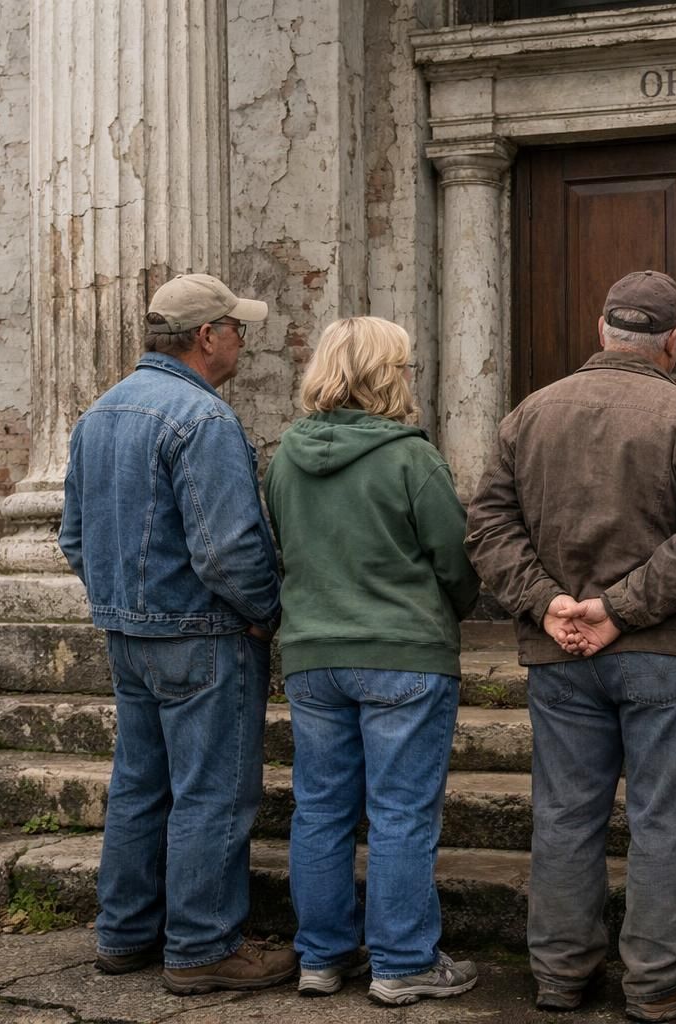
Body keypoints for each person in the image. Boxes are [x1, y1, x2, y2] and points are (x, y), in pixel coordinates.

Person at [465, 270, 676, 1022]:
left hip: (562, 648)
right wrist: (618, 611)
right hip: (666, 652)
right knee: (668, 816)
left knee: (564, 813)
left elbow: (488, 529)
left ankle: (561, 974)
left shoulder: (529, 416)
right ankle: (659, 981)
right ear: (673, 343)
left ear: (602, 332)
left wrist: (550, 603)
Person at [59, 273, 296, 994]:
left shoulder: (98, 414)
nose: (242, 340)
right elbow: (226, 550)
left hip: (131, 634)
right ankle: (200, 947)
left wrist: (121, 601)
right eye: (236, 328)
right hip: (203, 633)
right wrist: (264, 611)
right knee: (212, 793)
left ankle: (126, 934)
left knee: (140, 785)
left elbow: (73, 535)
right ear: (205, 337)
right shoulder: (202, 418)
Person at [263, 316, 482, 1005]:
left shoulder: (284, 457)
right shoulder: (411, 458)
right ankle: (401, 961)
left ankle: (322, 958)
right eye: (407, 366)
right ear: (388, 375)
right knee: (401, 813)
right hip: (402, 654)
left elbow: (285, 544)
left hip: (313, 654)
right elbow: (455, 558)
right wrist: (456, 606)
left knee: (321, 810)